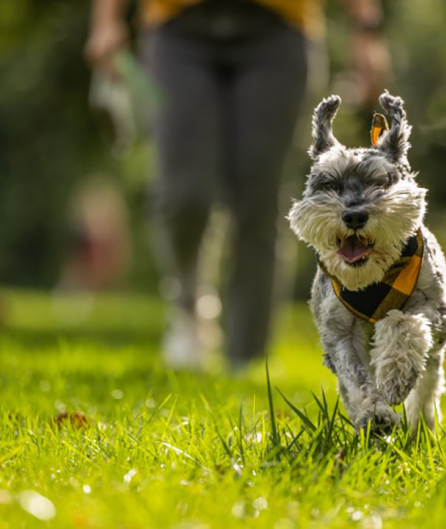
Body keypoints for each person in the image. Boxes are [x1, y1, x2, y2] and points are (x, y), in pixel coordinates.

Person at [85, 0, 390, 370]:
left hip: (280, 30)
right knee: (183, 193)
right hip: (176, 28)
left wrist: (366, 29)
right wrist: (107, 19)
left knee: (257, 199)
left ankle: (246, 357)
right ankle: (187, 307)